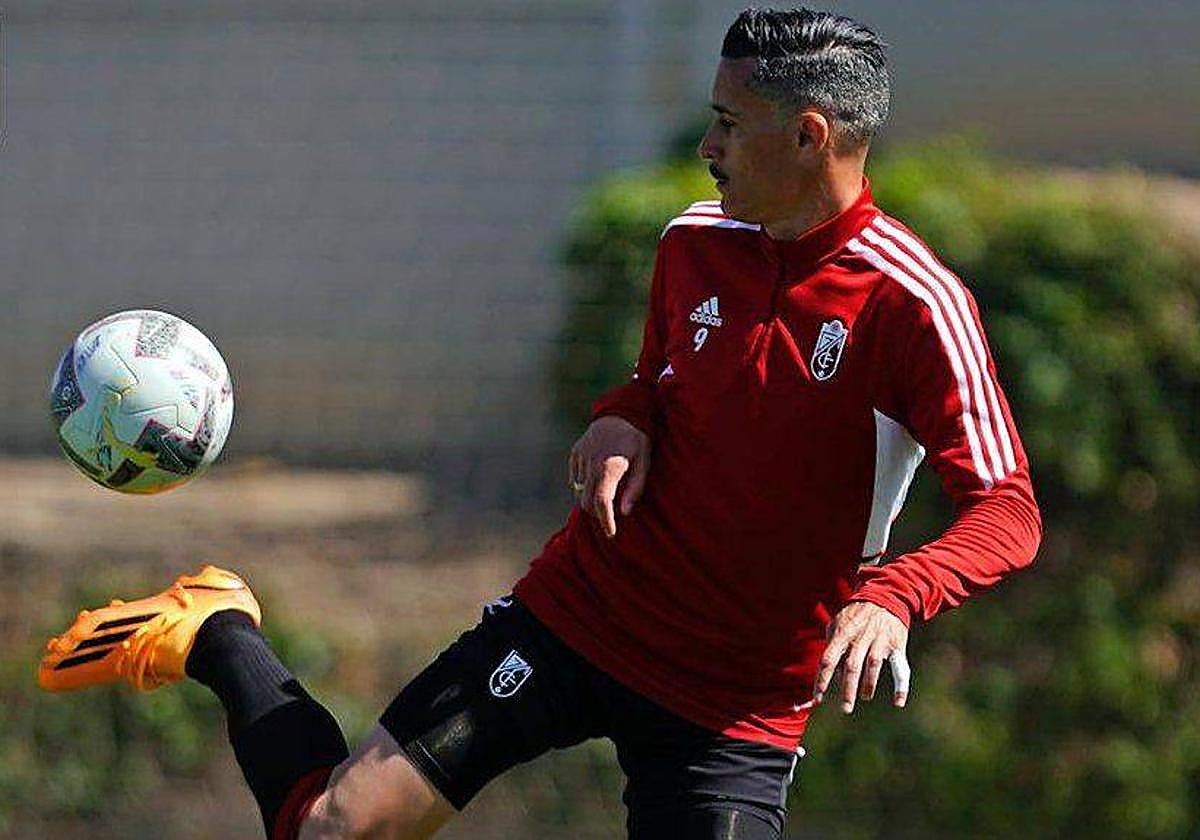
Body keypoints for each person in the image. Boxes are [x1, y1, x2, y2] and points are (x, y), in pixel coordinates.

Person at [38, 8, 1041, 840]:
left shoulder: (914, 304)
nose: (706, 150)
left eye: (728, 125)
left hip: (732, 709)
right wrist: (622, 419)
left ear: (810, 135)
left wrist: (896, 597)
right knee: (336, 828)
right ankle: (219, 630)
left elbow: (1008, 508)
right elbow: (658, 379)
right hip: (582, 618)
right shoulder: (696, 242)